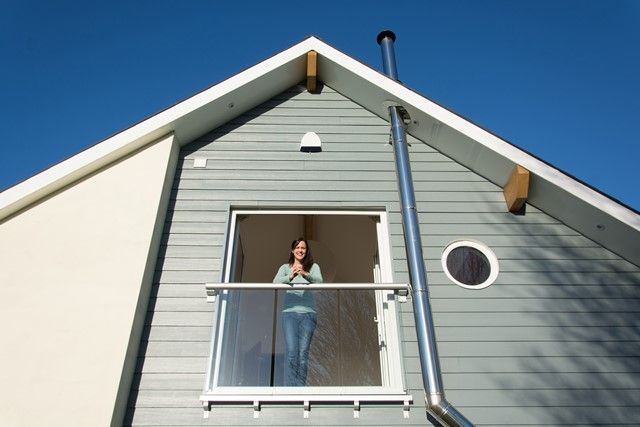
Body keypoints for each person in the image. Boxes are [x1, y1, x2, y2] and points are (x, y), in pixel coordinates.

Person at [273, 237, 323, 386]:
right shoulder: (285, 268)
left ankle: (300, 387)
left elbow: (320, 282)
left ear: (306, 251)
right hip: (289, 314)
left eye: (303, 248)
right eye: (298, 248)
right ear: (292, 250)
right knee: (292, 353)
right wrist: (290, 276)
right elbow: (274, 283)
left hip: (308, 314)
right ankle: (290, 388)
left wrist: (306, 274)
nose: (300, 250)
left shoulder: (313, 267)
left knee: (302, 354)